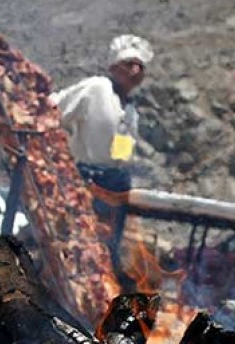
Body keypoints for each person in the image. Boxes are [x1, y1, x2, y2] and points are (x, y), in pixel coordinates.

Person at [51, 34, 153, 262]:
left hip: (115, 184)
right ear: (114, 67)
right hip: (88, 179)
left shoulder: (130, 110)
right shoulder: (96, 88)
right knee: (79, 242)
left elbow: (120, 154)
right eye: (129, 64)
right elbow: (55, 108)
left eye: (140, 67)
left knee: (105, 249)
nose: (135, 70)